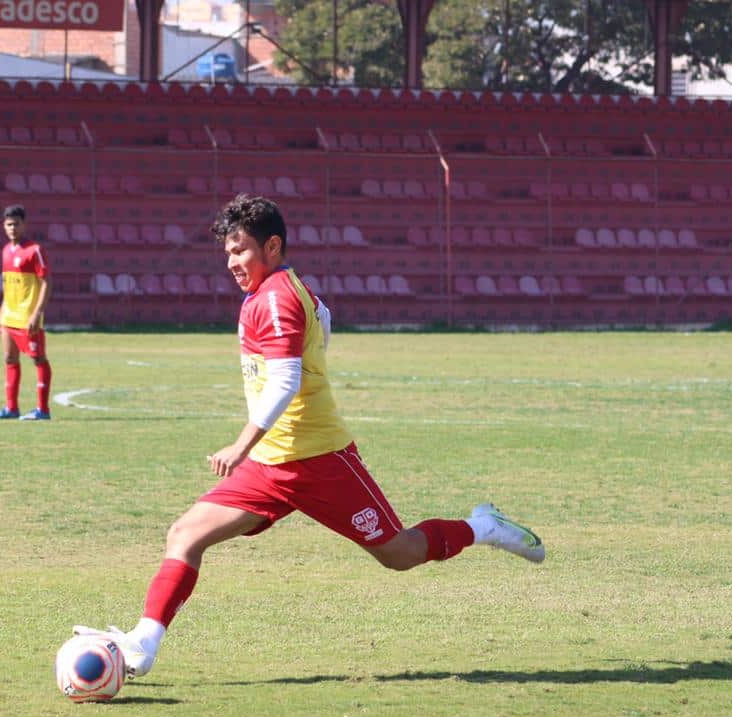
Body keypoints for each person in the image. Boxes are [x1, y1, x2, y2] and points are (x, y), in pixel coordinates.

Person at [74, 195, 545, 678]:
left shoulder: (277, 296)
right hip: (271, 467)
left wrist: (241, 444)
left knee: (399, 555)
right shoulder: (282, 293)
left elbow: (285, 380)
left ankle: (483, 527)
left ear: (273, 245)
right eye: (228, 254)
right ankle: (143, 647)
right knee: (185, 534)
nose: (233, 263)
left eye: (241, 251)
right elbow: (323, 320)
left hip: (320, 461)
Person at [0, 204, 53, 421]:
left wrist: (37, 313)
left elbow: (46, 282)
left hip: (27, 317)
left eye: (16, 224)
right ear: (3, 227)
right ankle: (11, 408)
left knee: (39, 359)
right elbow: (9, 287)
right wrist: (0, 314)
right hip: (9, 317)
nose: (12, 228)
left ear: (24, 225)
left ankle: (43, 410)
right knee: (9, 358)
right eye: (8, 224)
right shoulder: (6, 250)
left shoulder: (35, 250)